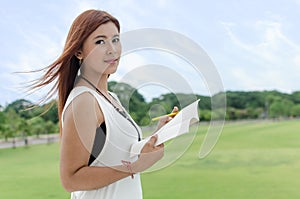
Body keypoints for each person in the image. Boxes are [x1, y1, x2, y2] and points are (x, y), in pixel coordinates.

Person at [31, 9, 178, 198]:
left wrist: (159, 135)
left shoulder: (110, 97)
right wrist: (134, 167)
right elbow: (71, 179)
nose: (112, 49)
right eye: (100, 41)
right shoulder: (84, 101)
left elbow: (119, 152)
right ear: (79, 51)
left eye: (115, 39)